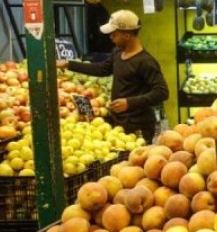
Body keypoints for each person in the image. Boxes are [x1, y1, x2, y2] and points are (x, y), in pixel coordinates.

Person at [57, 10, 169, 143]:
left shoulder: (146, 62)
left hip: (138, 126)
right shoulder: (117, 52)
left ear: (127, 35)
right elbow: (102, 69)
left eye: (114, 34)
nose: (111, 37)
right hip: (119, 122)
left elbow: (162, 92)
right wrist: (69, 64)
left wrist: (129, 103)